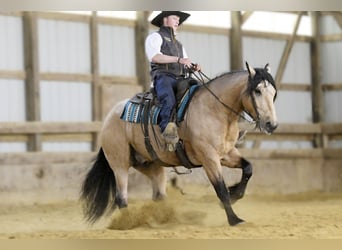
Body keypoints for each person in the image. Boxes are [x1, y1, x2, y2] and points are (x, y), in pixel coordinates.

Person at [145, 11, 201, 151]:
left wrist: (193, 66)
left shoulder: (179, 45)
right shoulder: (155, 37)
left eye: (178, 19)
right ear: (165, 19)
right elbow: (155, 57)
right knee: (168, 100)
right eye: (175, 18)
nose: (178, 21)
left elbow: (185, 62)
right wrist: (178, 59)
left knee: (200, 94)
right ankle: (167, 133)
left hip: (181, 78)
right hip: (163, 77)